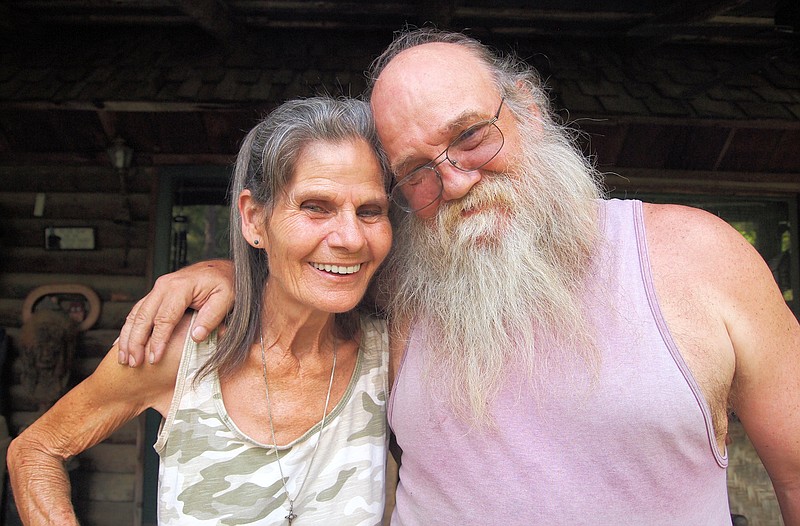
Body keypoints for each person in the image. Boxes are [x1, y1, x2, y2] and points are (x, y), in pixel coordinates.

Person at [118, 29, 800, 525]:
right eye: (415, 170)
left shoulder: (701, 257)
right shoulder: (400, 288)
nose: (453, 180)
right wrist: (230, 270)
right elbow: (313, 274)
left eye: (472, 137)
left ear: (528, 109)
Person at [7, 96, 394, 526]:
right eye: (315, 207)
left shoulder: (389, 357)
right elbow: (35, 449)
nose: (351, 238)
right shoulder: (184, 351)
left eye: (370, 211)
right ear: (253, 219)